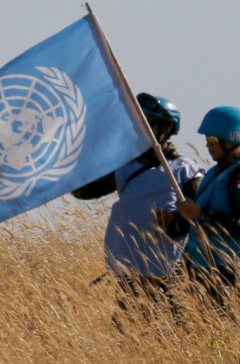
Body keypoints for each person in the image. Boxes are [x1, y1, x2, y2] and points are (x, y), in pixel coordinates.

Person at [71, 93, 202, 321]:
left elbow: (202, 220)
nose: (143, 129)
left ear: (167, 129)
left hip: (168, 274)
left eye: (150, 124)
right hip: (129, 273)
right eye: (139, 123)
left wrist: (174, 221)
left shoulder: (185, 170)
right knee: (129, 335)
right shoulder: (124, 167)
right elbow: (82, 191)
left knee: (169, 335)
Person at [159, 106, 240, 311]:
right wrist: (175, 219)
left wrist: (198, 213)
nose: (208, 146)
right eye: (207, 140)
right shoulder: (215, 173)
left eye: (213, 140)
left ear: (232, 139)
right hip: (206, 267)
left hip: (231, 272)